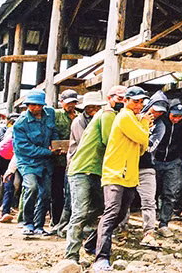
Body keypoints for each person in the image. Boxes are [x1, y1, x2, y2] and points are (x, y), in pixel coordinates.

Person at [93, 86, 154, 272]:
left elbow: (142, 148)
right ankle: (101, 257)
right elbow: (142, 138)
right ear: (126, 101)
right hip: (115, 173)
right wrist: (144, 124)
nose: (139, 105)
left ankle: (91, 244)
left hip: (129, 175)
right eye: (135, 101)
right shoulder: (125, 117)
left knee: (119, 215)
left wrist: (142, 127)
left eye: (141, 102)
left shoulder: (134, 118)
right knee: (112, 213)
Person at [64, 86, 125, 264]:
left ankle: (91, 243)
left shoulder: (107, 116)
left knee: (103, 209)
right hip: (82, 169)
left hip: (97, 170)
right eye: (118, 98)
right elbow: (109, 142)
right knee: (80, 213)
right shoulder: (106, 115)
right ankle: (71, 256)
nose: (93, 110)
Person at [52, 91, 104, 237]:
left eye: (96, 107)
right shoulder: (79, 121)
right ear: (85, 108)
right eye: (91, 107)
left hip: (92, 166)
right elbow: (86, 143)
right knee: (72, 201)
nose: (94, 110)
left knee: (94, 201)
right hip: (77, 165)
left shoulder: (98, 120)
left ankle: (79, 227)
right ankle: (63, 228)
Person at [13, 90, 59, 236]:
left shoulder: (50, 113)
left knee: (45, 193)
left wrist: (56, 144)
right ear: (27, 105)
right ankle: (27, 223)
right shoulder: (20, 124)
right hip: (28, 161)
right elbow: (25, 148)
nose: (36, 108)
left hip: (46, 162)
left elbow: (54, 131)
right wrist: (48, 152)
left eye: (39, 105)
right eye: (32, 105)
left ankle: (39, 225)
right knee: (31, 187)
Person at [153, 99, 182, 235]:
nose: (176, 119)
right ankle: (150, 220)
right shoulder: (160, 119)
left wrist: (177, 152)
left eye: (180, 116)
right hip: (156, 160)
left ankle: (164, 223)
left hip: (174, 161)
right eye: (174, 116)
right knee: (153, 192)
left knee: (170, 193)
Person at [134, 91, 169, 247]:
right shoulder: (132, 117)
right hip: (127, 165)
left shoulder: (160, 126)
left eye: (160, 112)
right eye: (154, 109)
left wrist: (139, 134)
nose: (156, 113)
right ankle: (121, 230)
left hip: (146, 166)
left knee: (149, 201)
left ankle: (149, 233)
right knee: (122, 201)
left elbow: (149, 147)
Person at [51, 89, 79, 231]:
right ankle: (56, 221)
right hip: (57, 161)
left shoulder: (79, 117)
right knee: (56, 192)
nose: (71, 105)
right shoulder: (55, 115)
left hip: (74, 162)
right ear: (61, 102)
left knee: (72, 193)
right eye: (68, 103)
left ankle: (69, 221)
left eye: (73, 102)